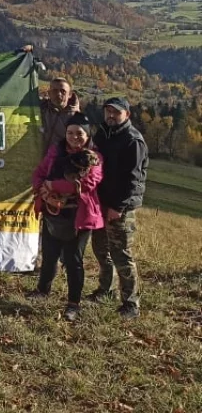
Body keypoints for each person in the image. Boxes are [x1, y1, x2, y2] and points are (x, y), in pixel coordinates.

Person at [29, 114, 103, 321]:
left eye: (79, 133)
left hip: (79, 216)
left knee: (73, 260)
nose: (74, 137)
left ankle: (73, 304)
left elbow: (88, 184)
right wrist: (42, 190)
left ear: (87, 135)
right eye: (70, 132)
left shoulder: (94, 157)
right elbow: (40, 171)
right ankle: (42, 290)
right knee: (50, 254)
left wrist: (52, 186)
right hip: (53, 211)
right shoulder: (56, 150)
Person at [89, 97, 148, 319]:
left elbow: (133, 180)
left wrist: (118, 207)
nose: (111, 116)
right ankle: (106, 290)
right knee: (101, 250)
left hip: (119, 208)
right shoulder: (103, 134)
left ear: (127, 115)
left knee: (121, 254)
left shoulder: (133, 140)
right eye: (108, 112)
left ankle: (131, 303)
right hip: (99, 204)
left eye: (116, 112)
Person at [40, 77, 81, 152]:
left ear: (70, 95)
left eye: (63, 91)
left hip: (61, 160)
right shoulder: (41, 109)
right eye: (54, 91)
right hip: (37, 160)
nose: (59, 94)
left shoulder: (77, 118)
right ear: (49, 93)